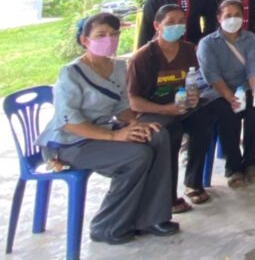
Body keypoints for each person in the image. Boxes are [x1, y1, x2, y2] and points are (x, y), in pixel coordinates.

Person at [37, 14, 177, 246]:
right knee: (136, 155)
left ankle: (152, 218)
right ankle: (107, 225)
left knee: (157, 135)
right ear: (85, 40)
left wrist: (134, 124)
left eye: (114, 34)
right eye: (101, 35)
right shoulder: (71, 73)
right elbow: (68, 121)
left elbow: (121, 106)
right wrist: (115, 135)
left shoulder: (118, 66)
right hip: (69, 142)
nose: (109, 40)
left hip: (101, 131)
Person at [128, 4, 217, 212]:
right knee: (171, 133)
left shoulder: (188, 50)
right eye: (170, 22)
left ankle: (193, 182)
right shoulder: (143, 57)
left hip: (181, 106)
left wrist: (194, 95)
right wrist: (165, 109)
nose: (176, 26)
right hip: (151, 111)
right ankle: (167, 197)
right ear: (157, 26)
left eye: (181, 22)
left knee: (204, 122)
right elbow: (133, 101)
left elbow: (193, 80)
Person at [197, 0, 255, 186]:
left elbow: (253, 69)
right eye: (228, 15)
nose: (232, 19)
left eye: (237, 15)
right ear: (219, 18)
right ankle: (233, 167)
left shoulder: (250, 38)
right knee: (227, 113)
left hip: (244, 87)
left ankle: (250, 162)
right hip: (217, 92)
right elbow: (212, 76)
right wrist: (229, 97)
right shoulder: (207, 43)